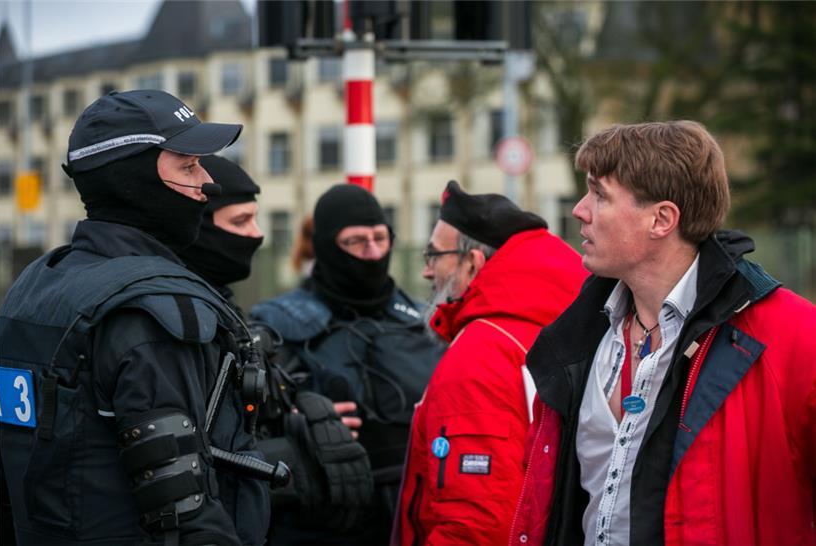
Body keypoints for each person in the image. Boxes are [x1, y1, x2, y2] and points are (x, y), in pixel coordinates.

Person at [512, 121, 816, 546]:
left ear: (661, 219)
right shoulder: (578, 335)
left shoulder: (793, 336)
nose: (580, 210)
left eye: (599, 195)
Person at [0, 90, 273, 545]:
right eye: (188, 166)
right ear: (134, 180)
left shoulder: (33, 286)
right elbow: (183, 510)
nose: (208, 183)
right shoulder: (154, 309)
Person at [177, 156, 375, 538]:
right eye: (239, 221)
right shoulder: (183, 315)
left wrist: (305, 421)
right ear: (199, 227)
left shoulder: (217, 304)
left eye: (254, 218)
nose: (255, 234)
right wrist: (298, 455)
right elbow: (193, 453)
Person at [395, 181, 587, 545]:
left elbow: (476, 522)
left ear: (473, 262)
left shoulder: (482, 351)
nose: (426, 271)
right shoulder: (554, 326)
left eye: (434, 255)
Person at [250, 183, 444, 545]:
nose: (372, 252)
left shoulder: (427, 322)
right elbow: (246, 426)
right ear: (326, 246)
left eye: (380, 238)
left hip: (416, 510)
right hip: (320, 520)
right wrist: (301, 422)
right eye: (355, 241)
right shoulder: (276, 326)